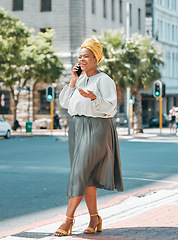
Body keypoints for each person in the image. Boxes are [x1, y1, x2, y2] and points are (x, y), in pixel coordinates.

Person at [55, 38, 123, 237]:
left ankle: (68, 220)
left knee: (79, 172)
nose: (81, 60)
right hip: (77, 128)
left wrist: (94, 98)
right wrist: (73, 80)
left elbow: (111, 108)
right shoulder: (81, 80)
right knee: (87, 176)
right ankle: (94, 218)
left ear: (96, 58)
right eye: (80, 56)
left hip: (97, 128)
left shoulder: (104, 80)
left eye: (86, 56)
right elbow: (66, 104)